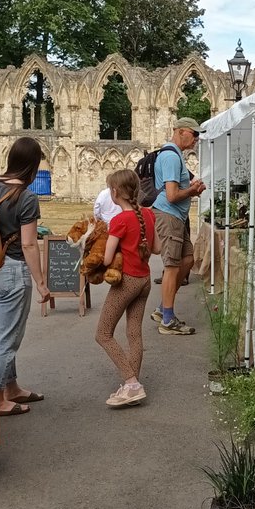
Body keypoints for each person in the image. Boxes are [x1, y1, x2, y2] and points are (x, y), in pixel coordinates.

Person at [0, 137, 51, 415]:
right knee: (6, 340)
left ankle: (12, 387)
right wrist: (41, 283)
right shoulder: (27, 198)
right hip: (12, 272)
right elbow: (30, 244)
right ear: (31, 166)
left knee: (3, 334)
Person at [95, 169, 156, 407]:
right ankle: (133, 386)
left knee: (103, 333)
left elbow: (108, 259)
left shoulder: (119, 220)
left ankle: (131, 382)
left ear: (114, 192)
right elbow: (157, 248)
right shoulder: (148, 215)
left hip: (127, 281)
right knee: (134, 333)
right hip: (145, 280)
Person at [150, 117, 206, 334]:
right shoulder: (171, 157)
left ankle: (162, 308)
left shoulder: (174, 156)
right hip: (169, 215)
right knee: (172, 266)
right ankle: (167, 320)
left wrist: (191, 186)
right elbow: (172, 196)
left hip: (176, 217)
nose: (196, 140)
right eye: (194, 134)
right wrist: (192, 191)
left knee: (187, 259)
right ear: (181, 131)